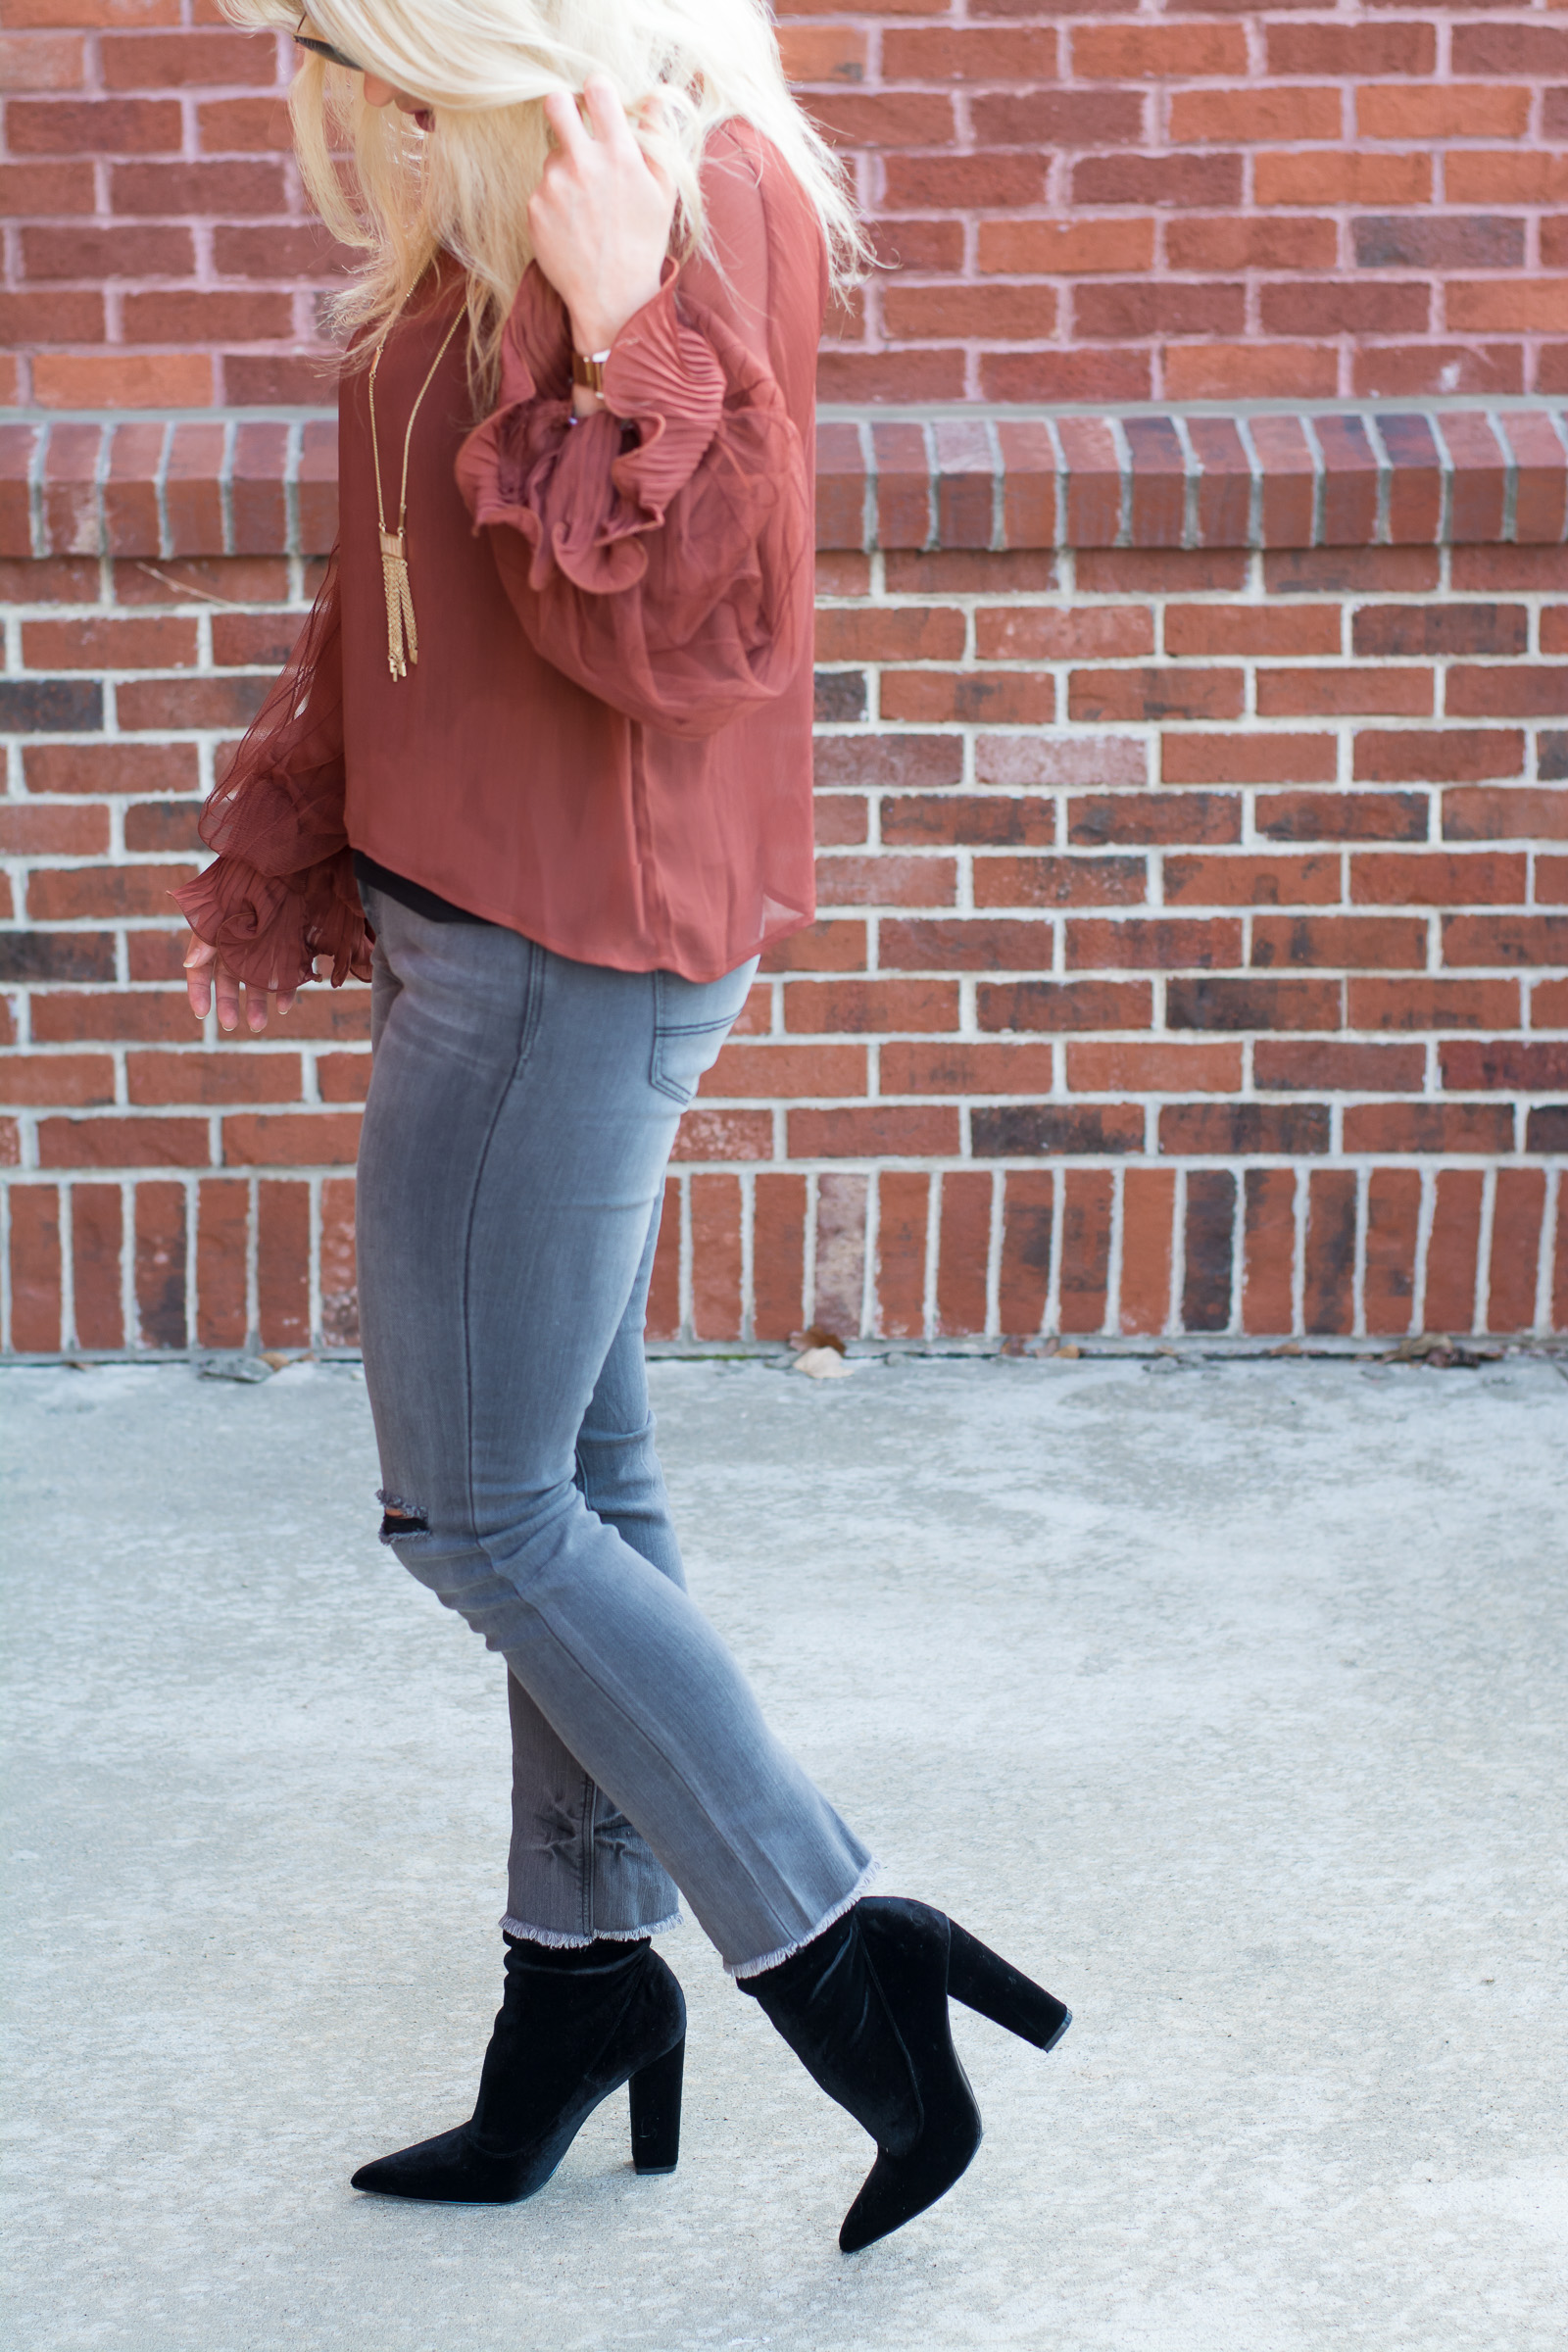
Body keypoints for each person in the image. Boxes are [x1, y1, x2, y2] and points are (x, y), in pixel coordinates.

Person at [177, 0, 1070, 2254]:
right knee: (574, 1486)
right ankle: (578, 1989)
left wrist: (616, 312)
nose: (345, 113)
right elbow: (400, 584)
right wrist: (299, 822)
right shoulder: (482, 220)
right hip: (484, 911)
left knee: (477, 1516)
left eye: (368, 63)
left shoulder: (681, 200)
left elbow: (696, 630)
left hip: (563, 948)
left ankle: (832, 1935)